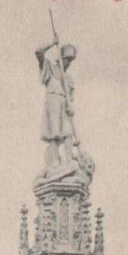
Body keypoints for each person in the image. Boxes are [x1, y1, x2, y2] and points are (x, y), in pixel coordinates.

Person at [35, 38, 77, 169]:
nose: (69, 63)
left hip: (64, 105)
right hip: (52, 102)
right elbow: (38, 52)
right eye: (67, 59)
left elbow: (71, 99)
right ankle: (55, 163)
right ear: (61, 58)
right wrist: (52, 43)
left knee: (68, 133)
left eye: (70, 60)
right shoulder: (50, 68)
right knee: (54, 133)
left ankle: (69, 162)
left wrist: (71, 108)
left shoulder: (68, 79)